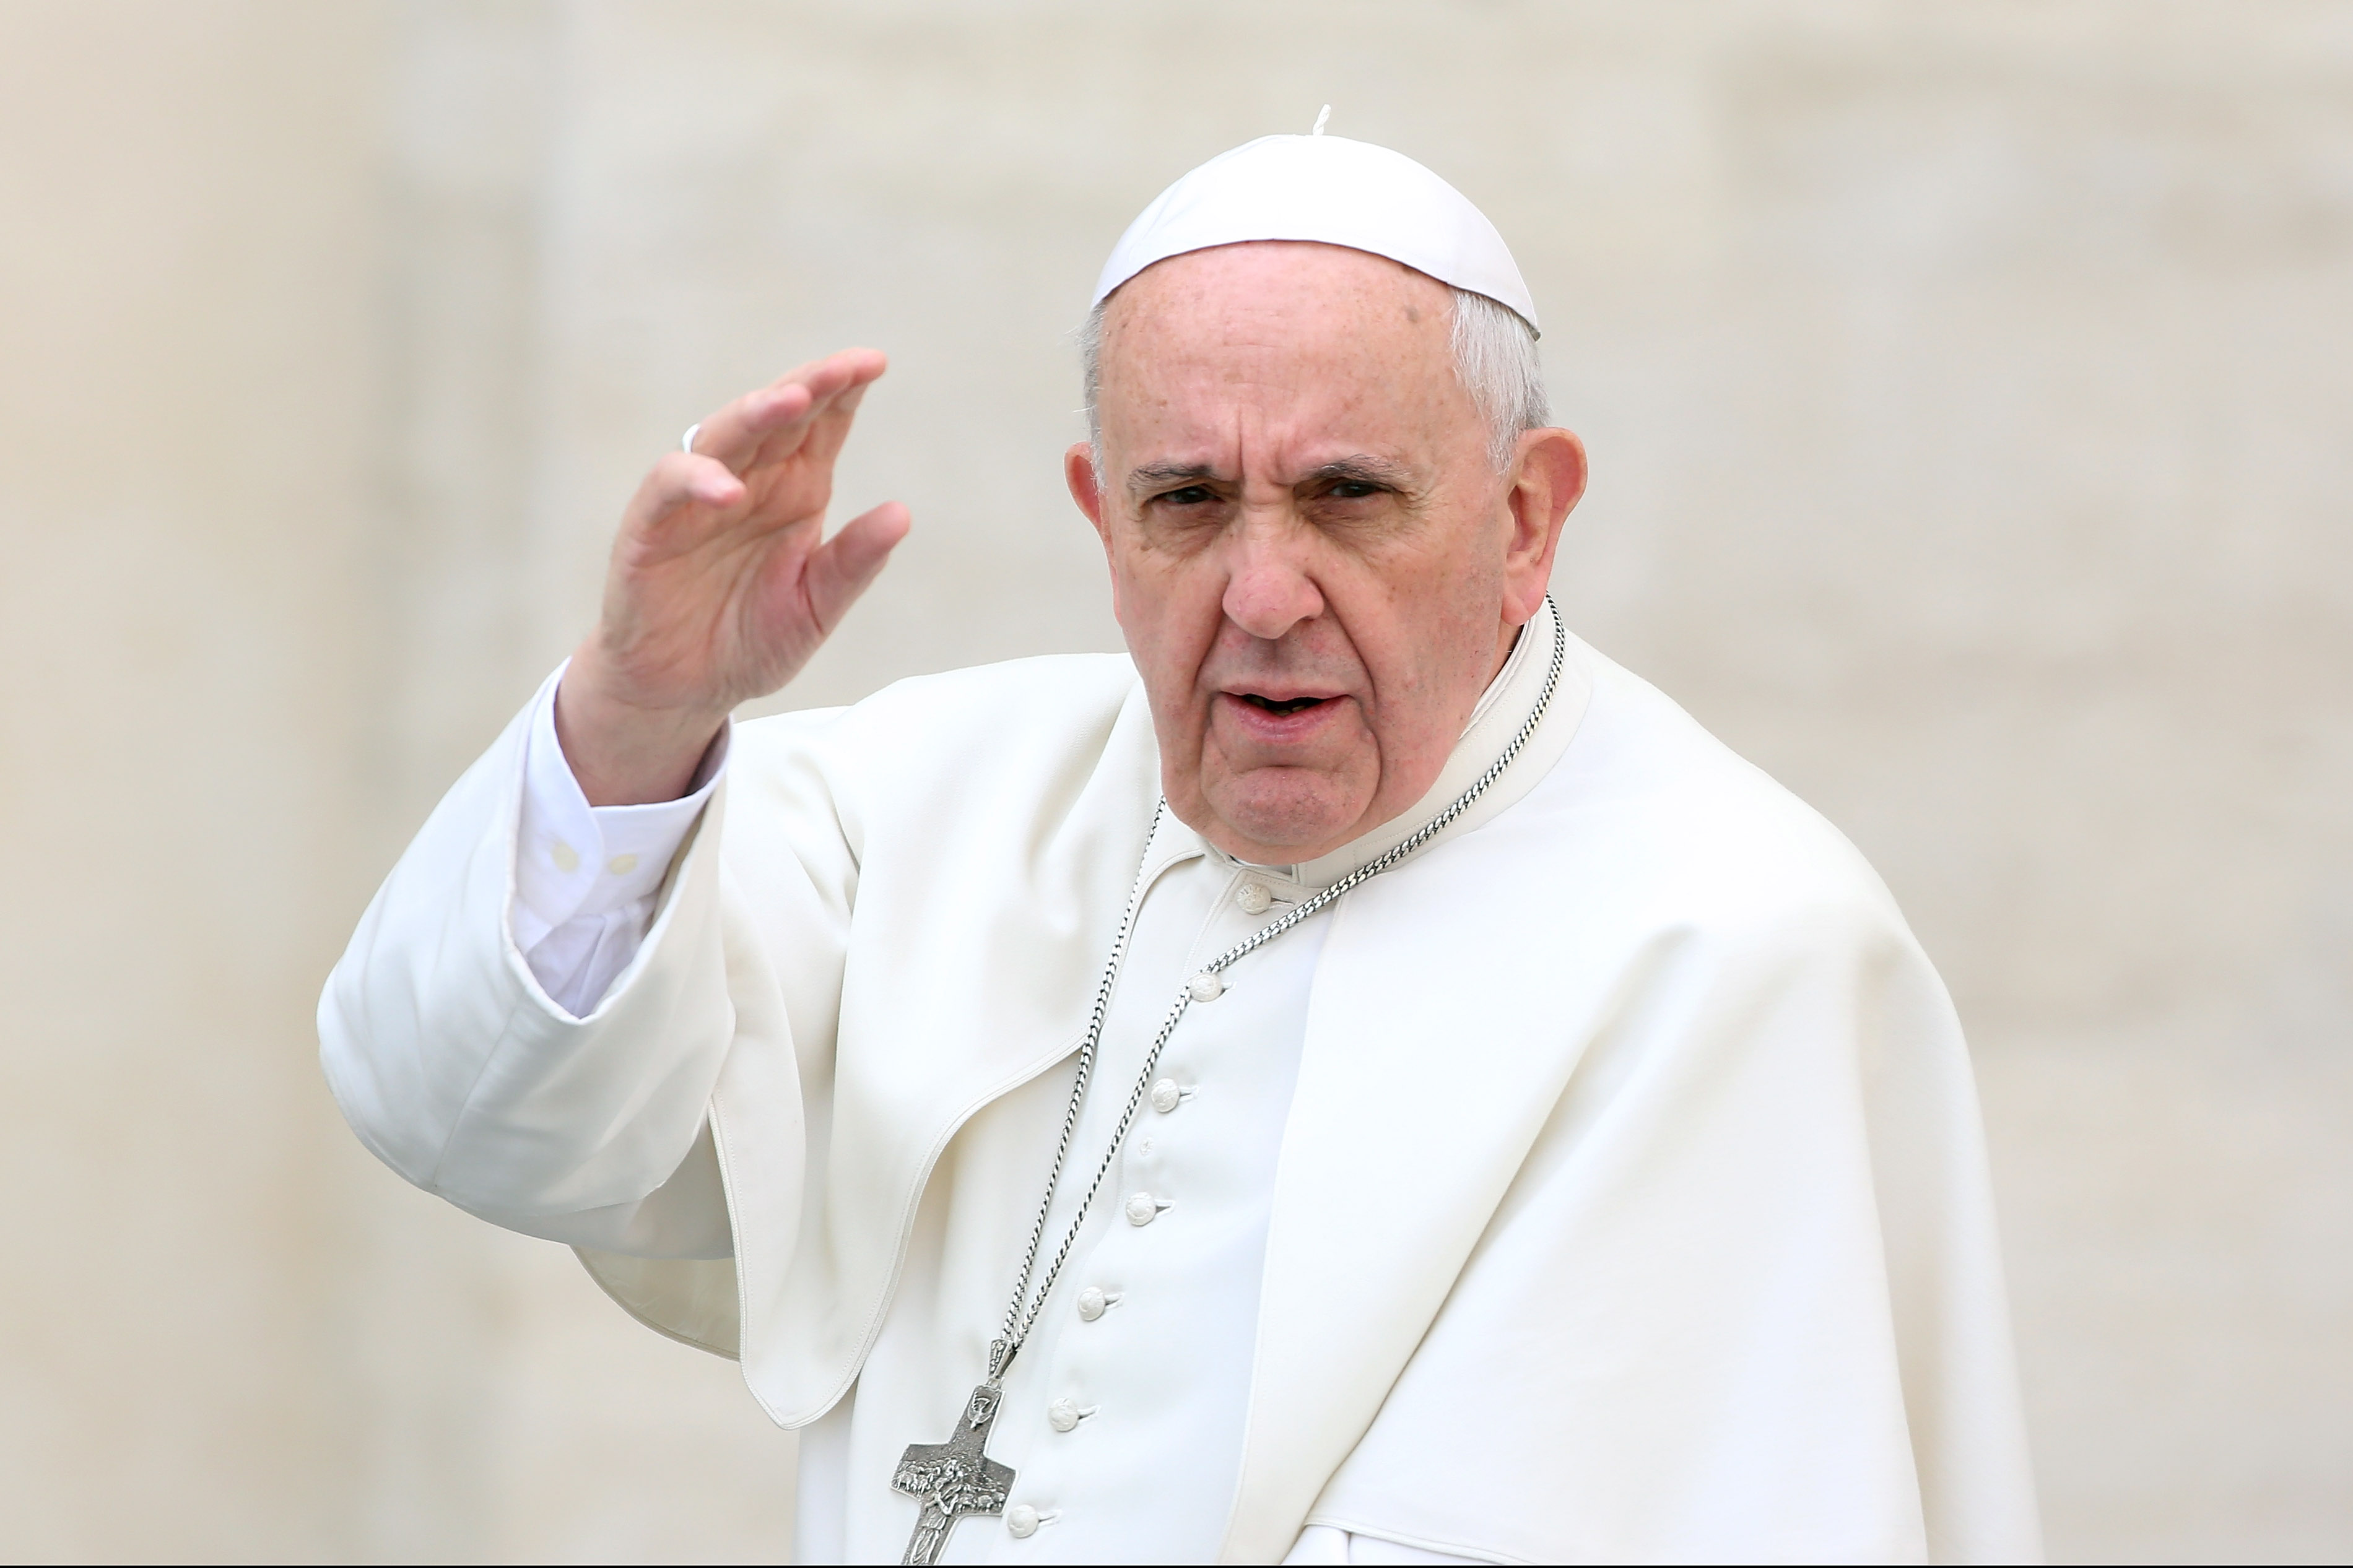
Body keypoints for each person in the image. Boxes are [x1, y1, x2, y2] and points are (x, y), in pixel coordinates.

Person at [321, 129, 2040, 1564]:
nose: (1265, 594)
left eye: (1350, 497)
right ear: (1101, 513)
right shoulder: (929, 801)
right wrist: (633, 715)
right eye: (1189, 502)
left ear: (1524, 519)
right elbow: (468, 1118)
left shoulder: (1742, 944)